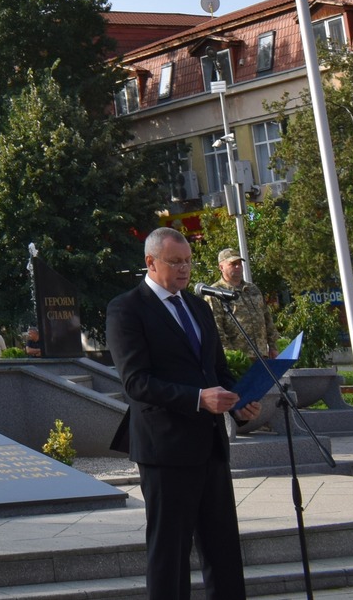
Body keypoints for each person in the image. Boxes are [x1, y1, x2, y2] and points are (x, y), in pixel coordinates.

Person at [106, 226, 258, 600]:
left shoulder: (196, 306)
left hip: (210, 445)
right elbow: (136, 383)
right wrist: (198, 398)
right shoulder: (126, 309)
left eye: (189, 261)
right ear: (150, 262)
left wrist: (238, 402)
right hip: (165, 449)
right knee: (170, 552)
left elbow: (216, 371)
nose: (185, 269)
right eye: (176, 262)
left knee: (223, 547)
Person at [206, 249, 277, 359]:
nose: (238, 267)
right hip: (239, 360)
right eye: (233, 264)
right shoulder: (215, 293)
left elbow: (267, 318)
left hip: (262, 356)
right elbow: (216, 329)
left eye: (239, 263)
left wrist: (273, 346)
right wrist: (231, 357)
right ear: (221, 267)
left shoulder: (252, 289)